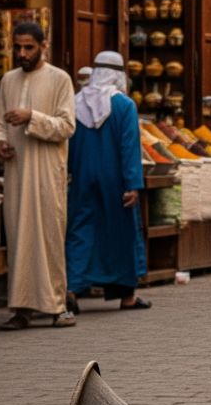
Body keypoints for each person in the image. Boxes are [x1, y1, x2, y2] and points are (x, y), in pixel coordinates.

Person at [0, 21, 77, 330]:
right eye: (17, 47)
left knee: (49, 238)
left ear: (44, 46)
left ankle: (57, 307)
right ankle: (21, 309)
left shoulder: (60, 80)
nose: (22, 53)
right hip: (16, 174)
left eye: (28, 47)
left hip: (46, 176)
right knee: (18, 239)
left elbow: (67, 126)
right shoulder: (8, 80)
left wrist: (32, 117)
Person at [64, 51, 149, 314]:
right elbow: (129, 146)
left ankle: (71, 289)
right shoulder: (124, 106)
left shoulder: (74, 103)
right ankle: (126, 296)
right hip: (115, 179)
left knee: (81, 230)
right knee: (121, 232)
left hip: (81, 176)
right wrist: (133, 183)